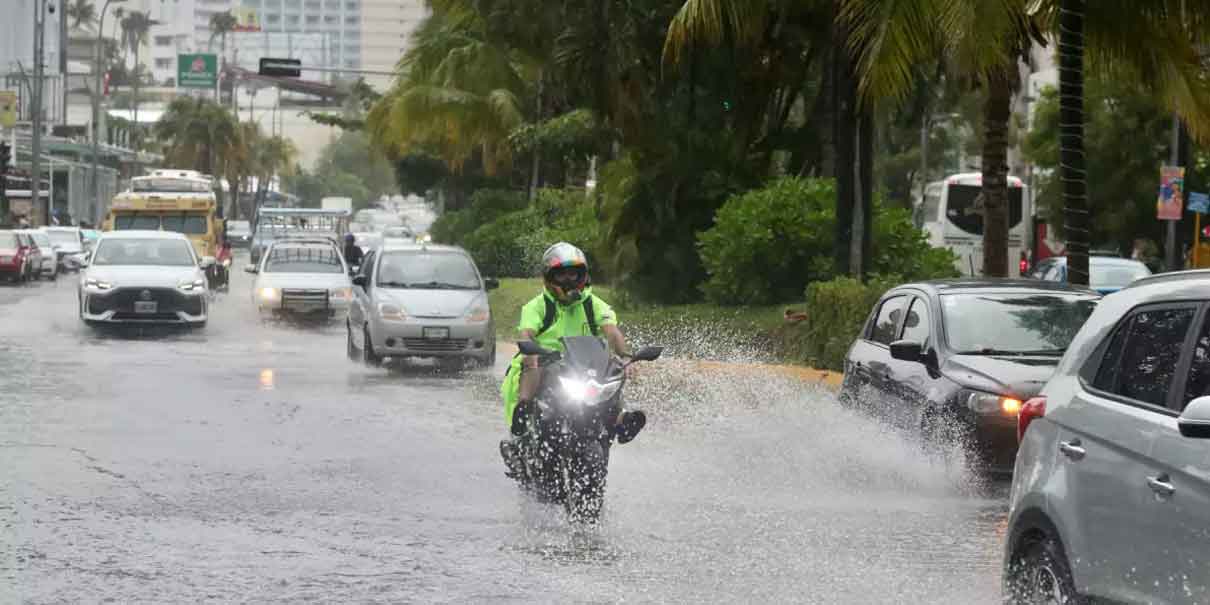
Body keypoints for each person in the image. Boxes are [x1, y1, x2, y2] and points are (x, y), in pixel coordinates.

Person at [501, 242, 646, 443]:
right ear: (549, 278)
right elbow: (526, 333)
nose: (569, 281)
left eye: (574, 274)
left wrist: (626, 357)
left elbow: (612, 332)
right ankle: (524, 411)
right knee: (533, 363)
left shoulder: (593, 304)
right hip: (546, 361)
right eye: (562, 275)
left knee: (615, 367)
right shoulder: (536, 307)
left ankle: (619, 418)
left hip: (583, 365)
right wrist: (530, 349)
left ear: (583, 276)